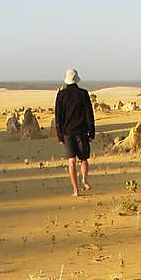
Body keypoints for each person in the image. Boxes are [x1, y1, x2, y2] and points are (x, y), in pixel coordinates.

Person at [54, 69, 95, 197]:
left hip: (68, 133)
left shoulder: (61, 95)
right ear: (77, 79)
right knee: (84, 159)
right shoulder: (83, 94)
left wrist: (60, 136)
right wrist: (91, 132)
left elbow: (58, 118)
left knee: (71, 161)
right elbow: (90, 115)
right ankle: (84, 178)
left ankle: (76, 191)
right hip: (82, 132)